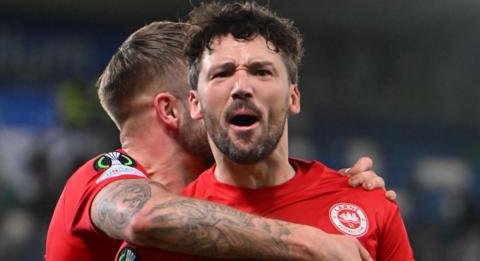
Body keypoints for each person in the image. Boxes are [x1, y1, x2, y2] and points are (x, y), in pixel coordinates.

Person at [45, 21, 393, 261]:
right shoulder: (98, 178)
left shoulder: (205, 200)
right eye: (218, 79)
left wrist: (340, 196)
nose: (236, 94)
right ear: (173, 109)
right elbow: (145, 218)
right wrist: (310, 241)